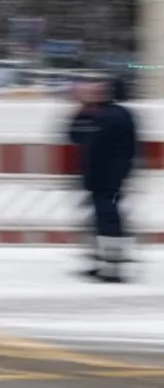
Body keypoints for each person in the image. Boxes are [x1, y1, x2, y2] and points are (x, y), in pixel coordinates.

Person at [66, 76, 138, 282]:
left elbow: (86, 144)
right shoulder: (117, 114)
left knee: (107, 219)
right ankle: (106, 263)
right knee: (103, 219)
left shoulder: (108, 116)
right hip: (111, 177)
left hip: (104, 178)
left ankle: (111, 268)